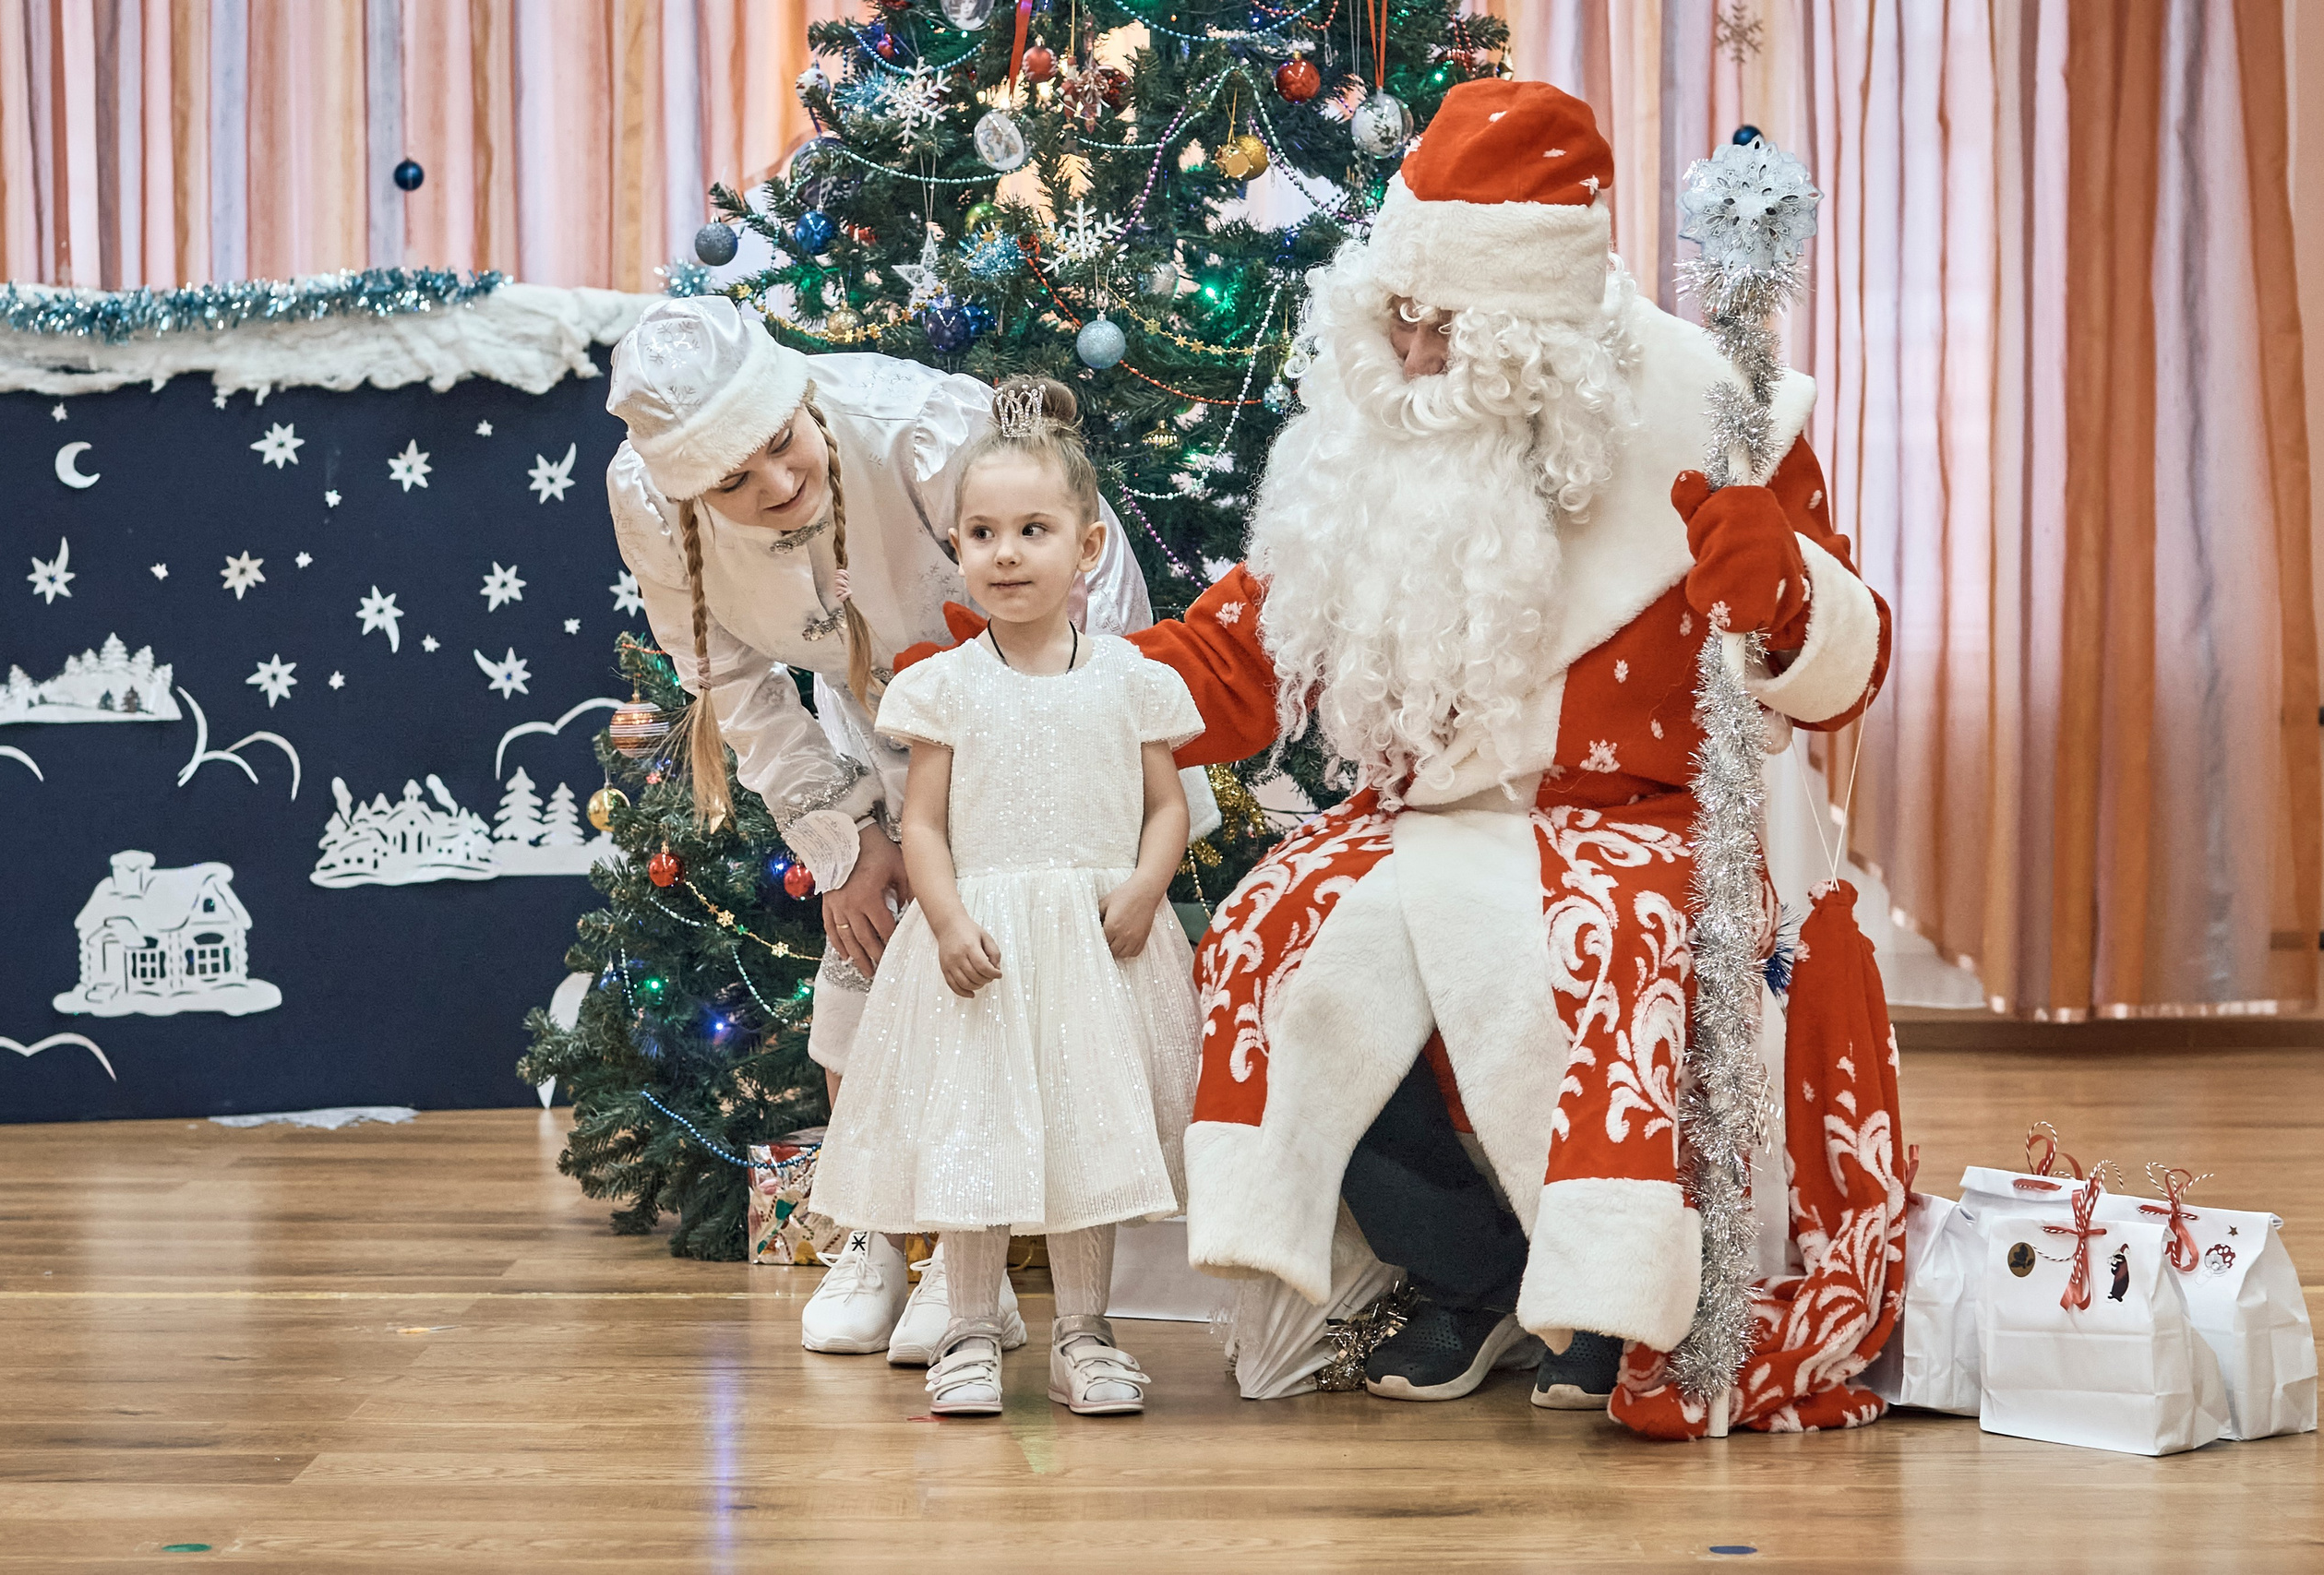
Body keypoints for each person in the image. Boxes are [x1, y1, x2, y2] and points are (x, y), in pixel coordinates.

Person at [1109, 81, 1899, 1421]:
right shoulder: (1374, 434)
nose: (1409, 347)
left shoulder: (1720, 415)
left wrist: (1784, 594)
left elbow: (1848, 666)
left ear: (1535, 331)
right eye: (1396, 313)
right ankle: (1470, 1271)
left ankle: (1608, 1296)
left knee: (1607, 952)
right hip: (1421, 814)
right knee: (1268, 935)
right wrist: (1062, 692)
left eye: (1443, 323)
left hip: (1641, 816)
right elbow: (1246, 652)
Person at [603, 300, 1196, 1366]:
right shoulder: (645, 501)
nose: (778, 486)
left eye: (781, 444)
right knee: (866, 954)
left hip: (1024, 712)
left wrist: (1068, 764)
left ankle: (968, 1270)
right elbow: (731, 680)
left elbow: (1086, 593)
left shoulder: (919, 426)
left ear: (796, 400)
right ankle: (880, 1232)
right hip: (879, 721)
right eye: (732, 482)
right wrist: (842, 834)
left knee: (998, 979)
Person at [808, 378, 1204, 1419]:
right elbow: (924, 824)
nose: (1006, 553)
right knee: (974, 1140)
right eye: (982, 532)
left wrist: (1144, 885)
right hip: (982, 951)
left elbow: (1167, 809)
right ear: (957, 546)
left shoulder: (1128, 679)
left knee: (1087, 1146)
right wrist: (942, 919)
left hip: (1093, 945)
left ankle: (1085, 1333)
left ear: (1087, 550)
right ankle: (971, 1332)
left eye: (1033, 529)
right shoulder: (947, 685)